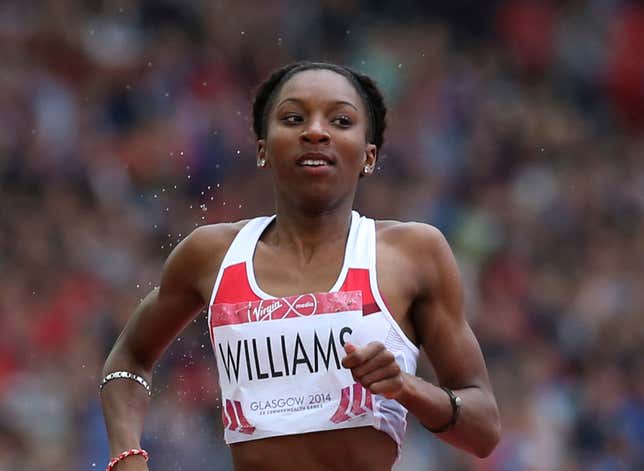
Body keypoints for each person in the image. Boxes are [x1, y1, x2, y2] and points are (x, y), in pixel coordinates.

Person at [100, 61, 501, 471]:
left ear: (369, 155)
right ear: (263, 149)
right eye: (293, 118)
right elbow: (129, 359)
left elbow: (484, 428)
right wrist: (127, 456)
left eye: (341, 120)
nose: (315, 131)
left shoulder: (413, 253)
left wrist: (408, 388)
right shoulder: (212, 254)